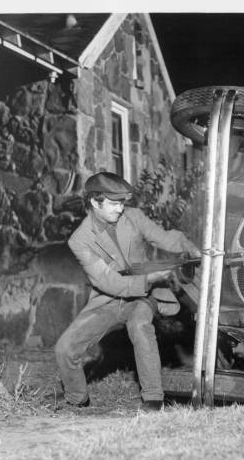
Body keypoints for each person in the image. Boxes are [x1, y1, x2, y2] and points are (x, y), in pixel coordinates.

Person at [54, 172, 200, 411]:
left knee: (139, 325)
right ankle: (77, 398)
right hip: (109, 298)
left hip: (145, 295)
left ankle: (153, 399)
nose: (120, 208)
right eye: (114, 203)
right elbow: (107, 281)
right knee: (65, 347)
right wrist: (147, 278)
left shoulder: (134, 217)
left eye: (122, 202)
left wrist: (189, 248)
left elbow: (164, 238)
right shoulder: (79, 240)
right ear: (94, 202)